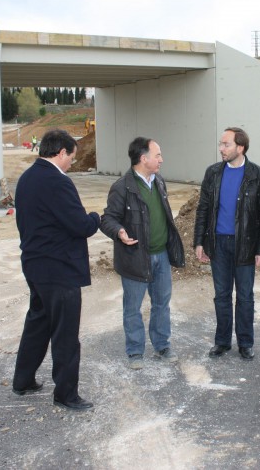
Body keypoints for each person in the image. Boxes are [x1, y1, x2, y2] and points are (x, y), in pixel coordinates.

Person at [12, 129, 101, 411]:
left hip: (35, 264)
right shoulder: (56, 181)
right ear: (61, 152)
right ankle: (66, 393)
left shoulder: (27, 178)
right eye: (71, 159)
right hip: (59, 268)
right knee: (65, 333)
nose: (71, 164)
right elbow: (80, 225)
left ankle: (23, 379)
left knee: (37, 323)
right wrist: (96, 217)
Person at [100, 137, 185, 370]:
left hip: (162, 255)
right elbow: (107, 218)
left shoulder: (159, 182)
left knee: (161, 304)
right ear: (143, 158)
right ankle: (135, 351)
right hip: (135, 256)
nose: (161, 160)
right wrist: (119, 232)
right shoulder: (122, 187)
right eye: (157, 155)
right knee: (133, 307)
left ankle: (162, 346)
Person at [194, 127, 260, 360]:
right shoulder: (213, 173)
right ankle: (222, 342)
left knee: (245, 296)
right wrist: (199, 241)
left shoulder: (258, 176)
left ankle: (246, 342)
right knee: (221, 295)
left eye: (226, 144)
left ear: (240, 147)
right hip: (218, 244)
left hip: (246, 245)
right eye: (221, 144)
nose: (221, 149)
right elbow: (203, 209)